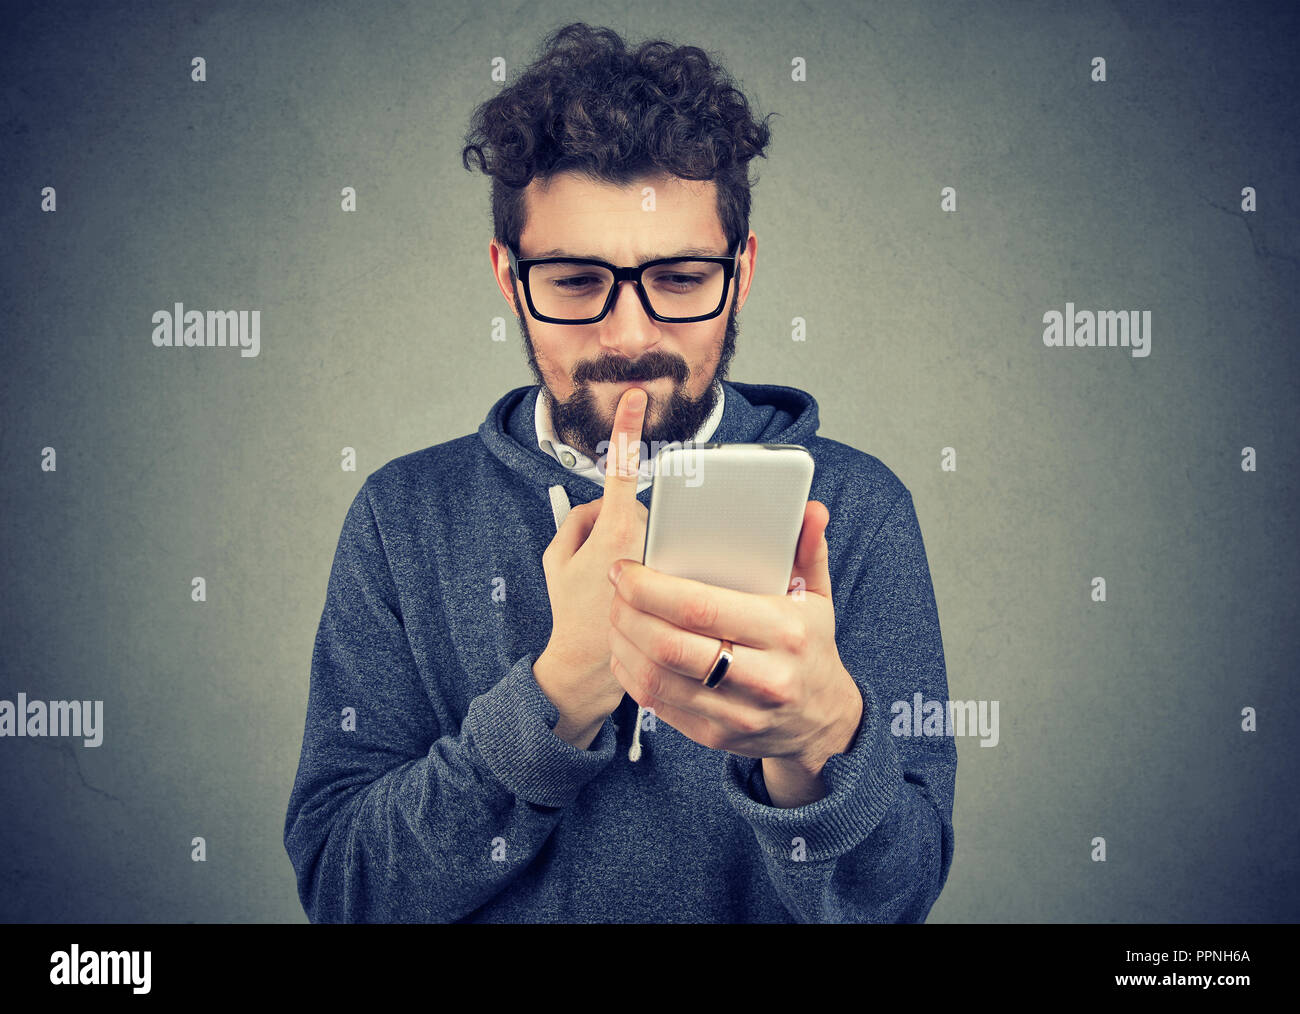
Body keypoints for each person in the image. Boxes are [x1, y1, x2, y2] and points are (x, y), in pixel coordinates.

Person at [283, 21, 956, 923]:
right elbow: (345, 891)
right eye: (572, 281)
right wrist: (561, 690)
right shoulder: (401, 517)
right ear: (508, 278)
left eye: (680, 278)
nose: (631, 337)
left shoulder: (857, 512)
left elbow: (893, 905)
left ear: (742, 271)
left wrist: (819, 745)